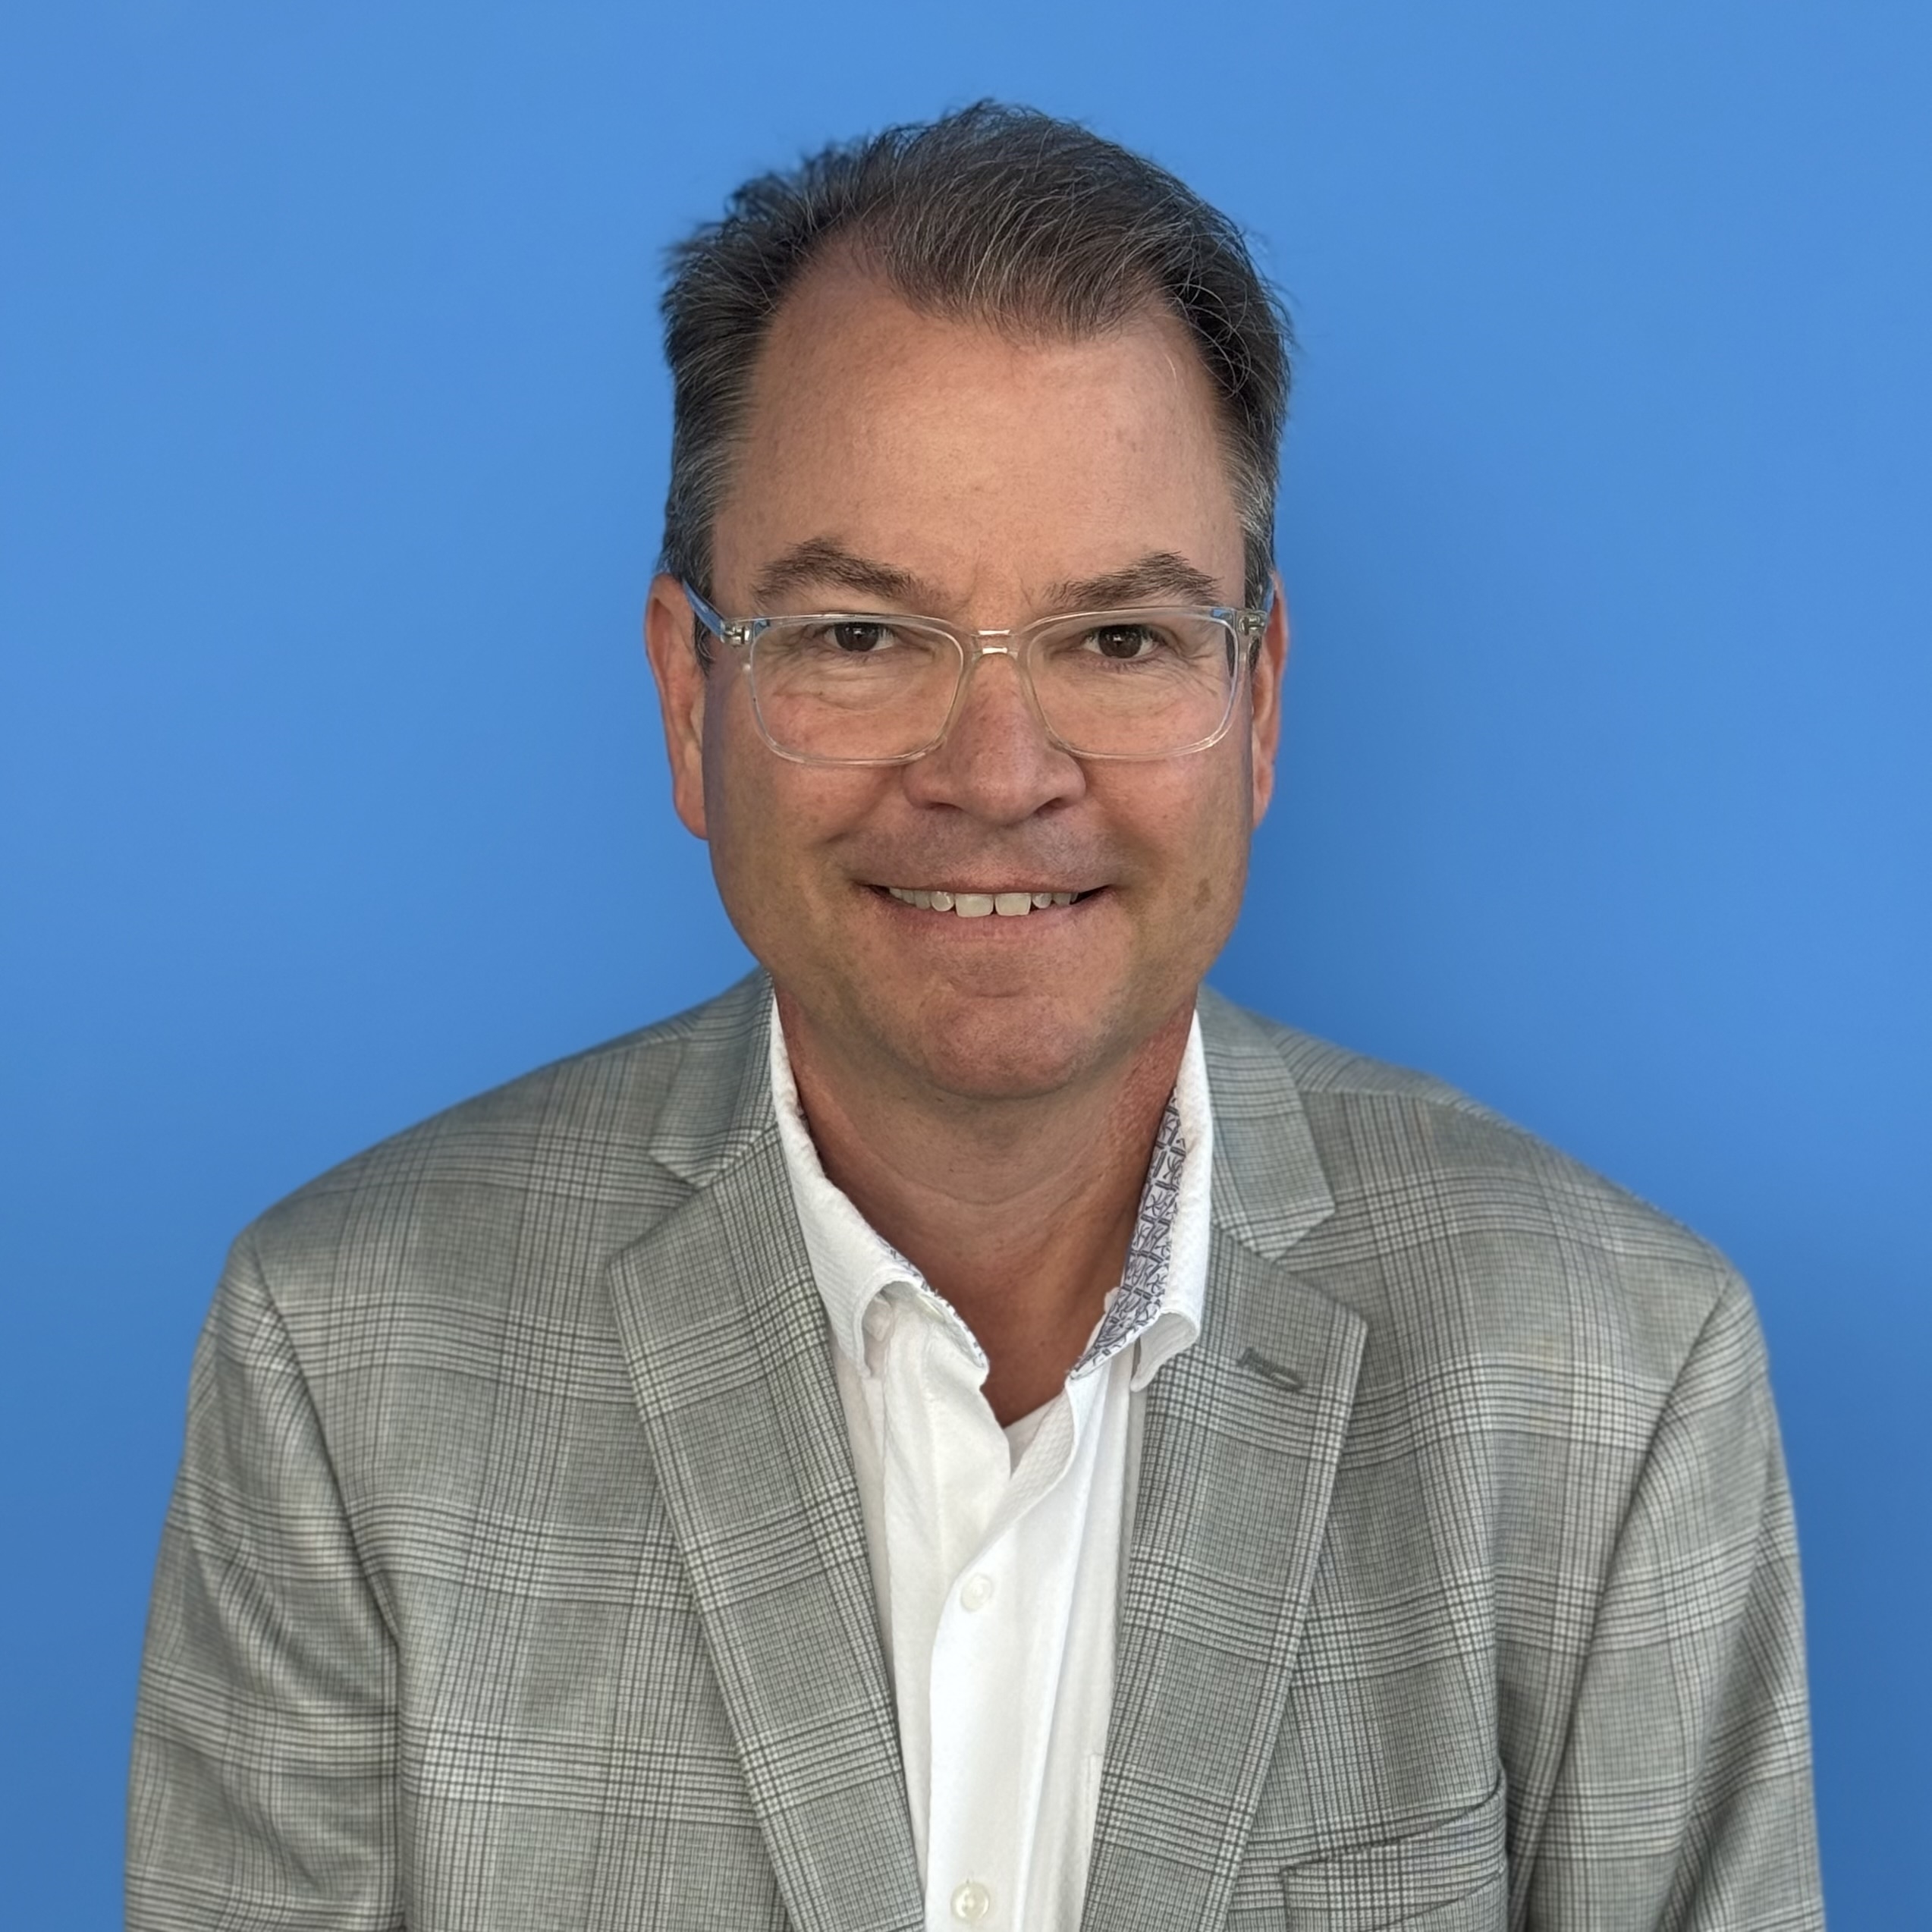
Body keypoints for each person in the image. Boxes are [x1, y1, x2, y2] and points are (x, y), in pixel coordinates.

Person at [128, 104, 1822, 1931]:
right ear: (689, 697)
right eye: (860, 636)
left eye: (1118, 639)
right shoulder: (348, 1362)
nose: (998, 773)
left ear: (1255, 703)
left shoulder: (1609, 1379)